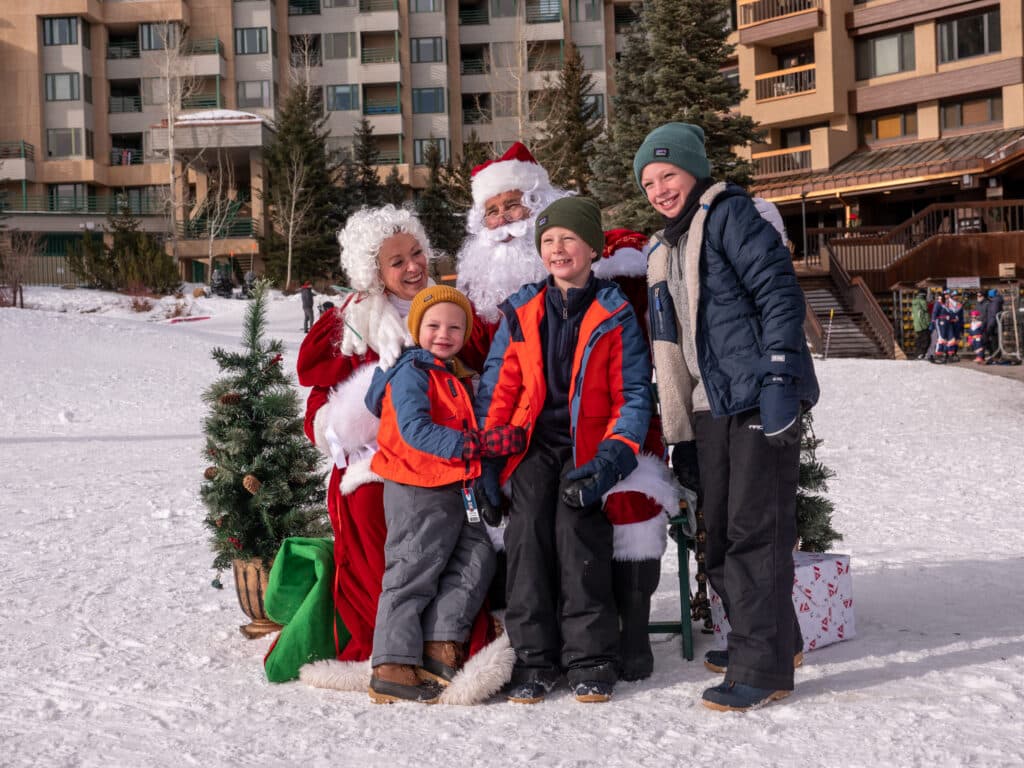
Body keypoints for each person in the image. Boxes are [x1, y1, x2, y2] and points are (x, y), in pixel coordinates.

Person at [456, 144, 677, 682]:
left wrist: (612, 458)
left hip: (591, 447)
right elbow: (499, 391)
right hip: (532, 446)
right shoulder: (520, 310)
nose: (557, 250)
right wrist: (487, 461)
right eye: (548, 241)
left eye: (568, 240)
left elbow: (633, 394)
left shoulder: (615, 310)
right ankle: (535, 658)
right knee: (528, 530)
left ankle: (591, 656)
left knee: (579, 530)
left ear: (592, 248)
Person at [634, 122, 819, 711]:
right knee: (720, 539)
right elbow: (671, 342)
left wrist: (780, 378)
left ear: (695, 171)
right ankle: (768, 639)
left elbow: (778, 293)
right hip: (710, 406)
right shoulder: (663, 250)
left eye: (669, 175)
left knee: (754, 533)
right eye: (649, 181)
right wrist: (680, 428)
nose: (660, 188)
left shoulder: (729, 216)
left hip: (758, 394)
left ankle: (761, 669)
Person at [294, 206, 497, 690]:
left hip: (451, 452)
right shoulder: (355, 324)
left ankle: (444, 642)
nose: (412, 267)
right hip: (375, 459)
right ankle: (390, 651)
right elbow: (323, 409)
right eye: (396, 261)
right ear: (374, 272)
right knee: (371, 507)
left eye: (416, 253)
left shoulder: (447, 308)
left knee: (478, 530)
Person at [363, 286, 524, 704]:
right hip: (416, 485)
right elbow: (415, 430)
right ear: (416, 329)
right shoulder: (411, 372)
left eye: (455, 327)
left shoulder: (451, 372)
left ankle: (440, 643)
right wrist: (475, 444)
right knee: (413, 569)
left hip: (455, 486)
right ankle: (392, 663)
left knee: (477, 557)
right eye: (433, 325)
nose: (443, 333)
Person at [984, 288, 1005, 359]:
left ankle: (996, 357)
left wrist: (989, 327)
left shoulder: (994, 302)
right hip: (998, 325)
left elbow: (993, 315)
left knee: (994, 342)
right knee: (997, 341)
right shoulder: (997, 301)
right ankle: (997, 356)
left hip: (994, 326)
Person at [911, 289, 930, 360]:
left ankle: (918, 354)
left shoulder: (915, 303)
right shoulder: (922, 302)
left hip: (917, 324)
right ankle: (921, 354)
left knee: (920, 339)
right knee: (926, 340)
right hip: (923, 325)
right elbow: (924, 314)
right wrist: (927, 324)